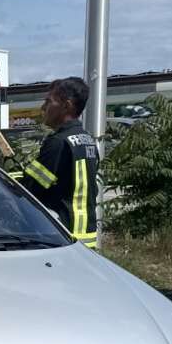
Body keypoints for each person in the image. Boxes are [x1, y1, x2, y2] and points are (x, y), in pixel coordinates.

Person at [21, 76, 99, 248]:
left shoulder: (59, 142)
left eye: (49, 102)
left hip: (63, 235)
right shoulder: (87, 140)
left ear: (66, 105)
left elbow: (30, 189)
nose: (43, 108)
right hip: (86, 236)